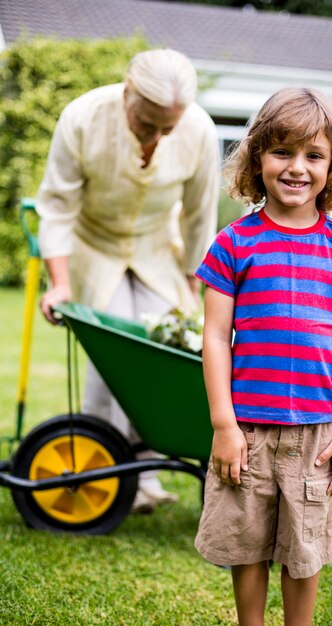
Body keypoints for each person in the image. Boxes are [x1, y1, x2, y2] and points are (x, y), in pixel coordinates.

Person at [194, 86, 332, 626]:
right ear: (257, 157)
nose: (297, 167)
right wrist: (224, 425)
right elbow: (213, 337)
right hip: (248, 430)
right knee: (247, 540)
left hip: (317, 433)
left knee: (305, 549)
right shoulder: (232, 244)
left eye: (314, 155)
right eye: (282, 151)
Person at [37, 48, 220, 513]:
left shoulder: (199, 130)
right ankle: (103, 475)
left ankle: (145, 478)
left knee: (164, 357)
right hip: (93, 247)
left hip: (160, 251)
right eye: (146, 123)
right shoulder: (81, 118)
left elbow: (201, 216)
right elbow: (57, 207)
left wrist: (194, 283)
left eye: (167, 128)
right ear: (127, 92)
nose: (156, 136)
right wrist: (60, 283)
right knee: (112, 358)